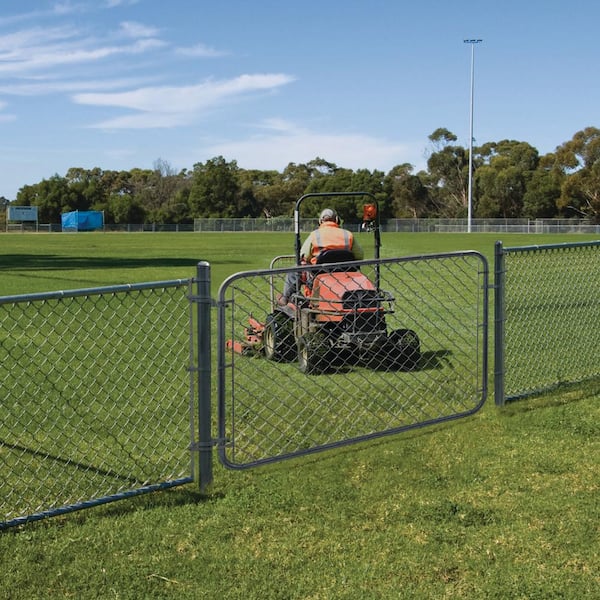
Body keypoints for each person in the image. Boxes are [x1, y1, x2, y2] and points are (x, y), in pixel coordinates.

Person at [278, 208, 364, 305]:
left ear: (320, 221)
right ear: (337, 220)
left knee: (293, 272)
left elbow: (304, 255)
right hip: (345, 277)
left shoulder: (315, 235)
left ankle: (287, 298)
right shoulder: (347, 234)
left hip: (319, 277)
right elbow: (360, 255)